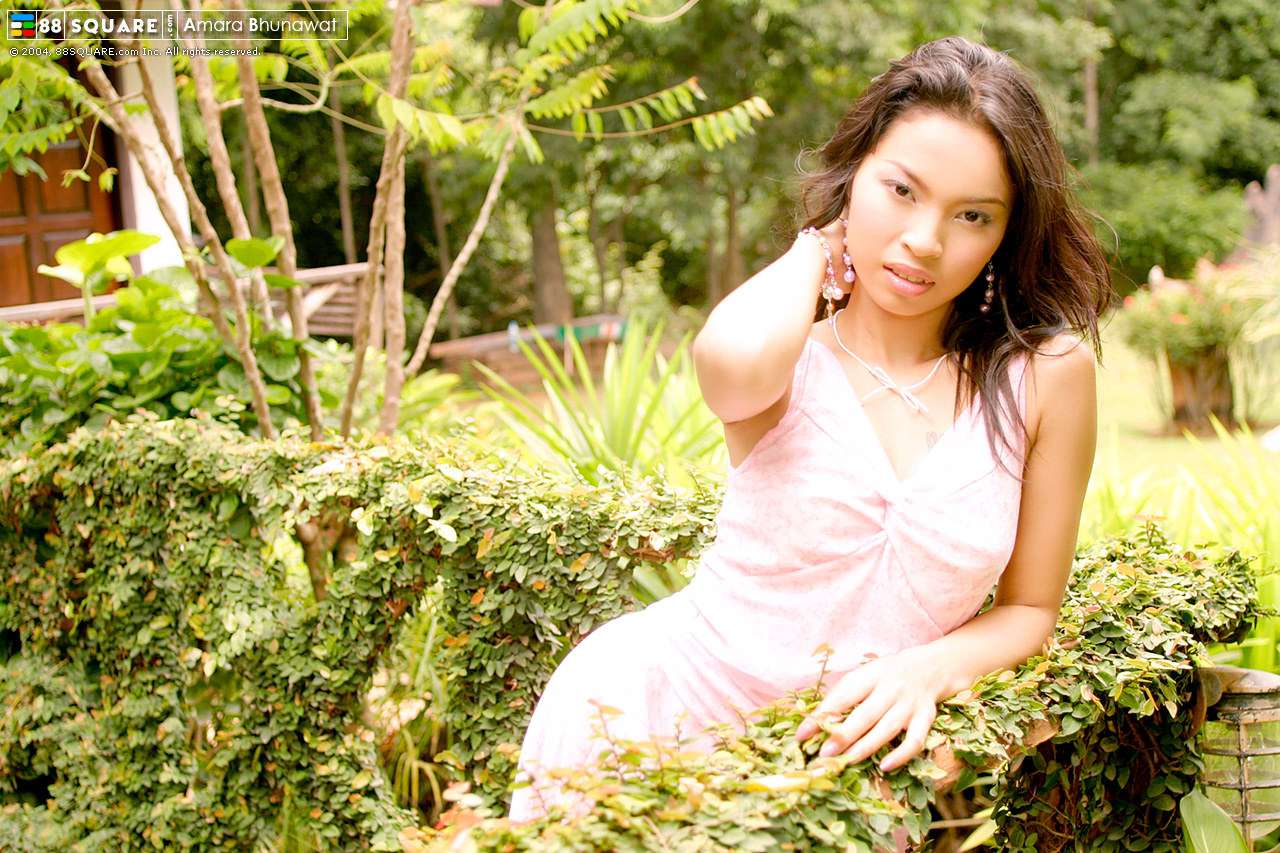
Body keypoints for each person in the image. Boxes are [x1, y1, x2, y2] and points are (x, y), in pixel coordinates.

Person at [506, 36, 1111, 850]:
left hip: (842, 779)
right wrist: (816, 248)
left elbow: (1031, 608)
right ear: (853, 176)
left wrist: (925, 668)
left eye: (972, 215)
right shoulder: (789, 351)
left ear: (1008, 232)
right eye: (901, 189)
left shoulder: (1045, 378)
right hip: (650, 724)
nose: (925, 239)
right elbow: (728, 369)